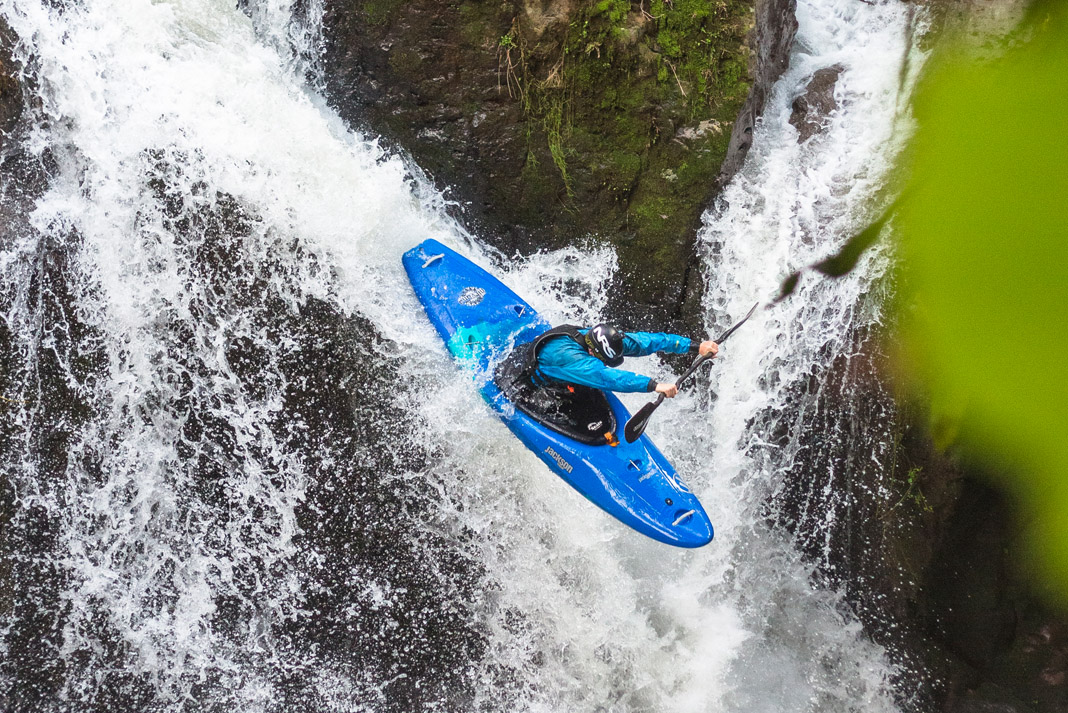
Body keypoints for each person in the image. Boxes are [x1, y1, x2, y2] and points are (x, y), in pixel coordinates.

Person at [523, 323, 719, 398]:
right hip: (528, 384)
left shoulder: (606, 340)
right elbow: (607, 377)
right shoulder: (572, 359)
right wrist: (654, 385)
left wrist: (696, 346)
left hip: (566, 377)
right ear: (593, 352)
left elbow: (649, 342)